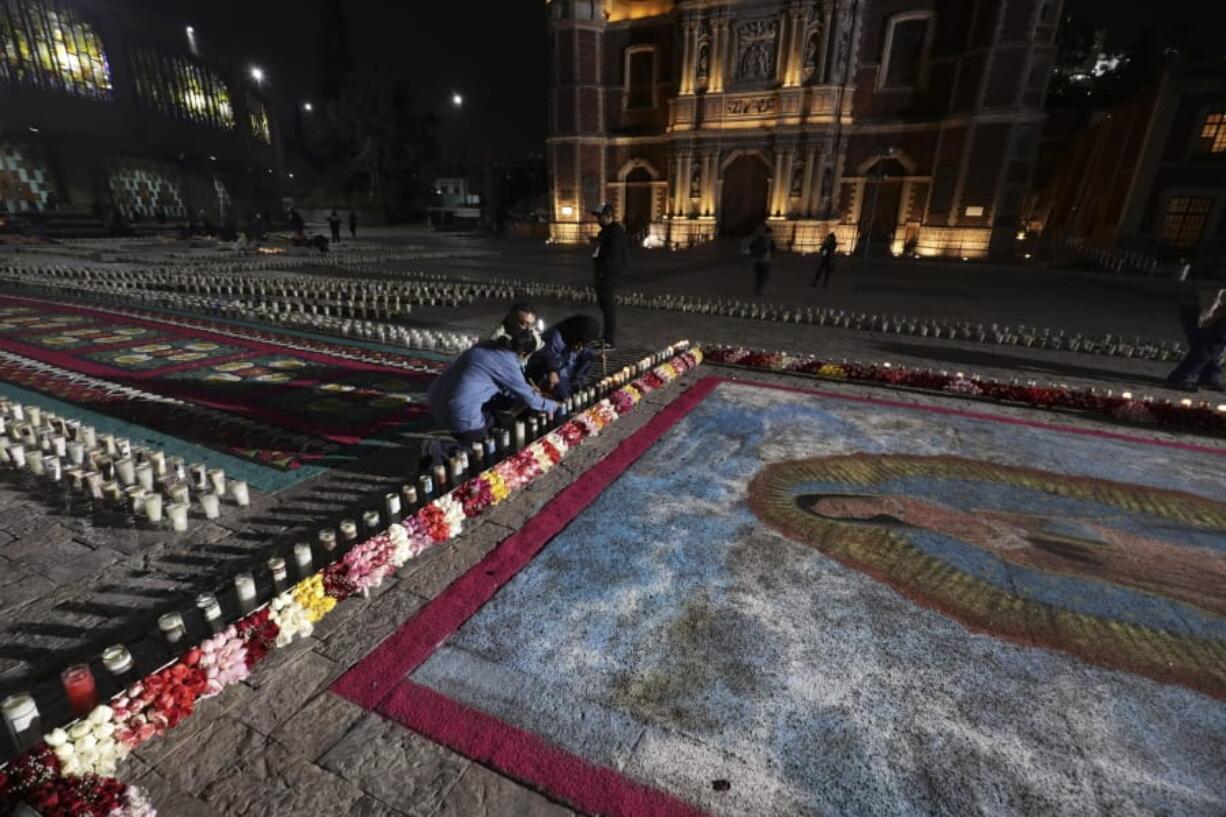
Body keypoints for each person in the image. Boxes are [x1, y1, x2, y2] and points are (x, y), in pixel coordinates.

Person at [427, 328, 560, 454]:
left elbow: (501, 383)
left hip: (436, 398)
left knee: (493, 420)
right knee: (482, 451)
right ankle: (440, 450)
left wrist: (526, 390)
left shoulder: (488, 345)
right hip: (457, 411)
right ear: (524, 353)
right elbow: (532, 401)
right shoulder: (508, 362)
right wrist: (555, 406)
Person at [526, 315, 599, 399]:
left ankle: (576, 382)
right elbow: (551, 362)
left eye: (585, 343)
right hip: (554, 371)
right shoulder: (556, 338)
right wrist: (554, 372)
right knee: (565, 396)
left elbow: (585, 351)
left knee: (590, 357)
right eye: (581, 342)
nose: (582, 346)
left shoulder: (580, 339)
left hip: (569, 368)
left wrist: (593, 355)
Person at [1167, 287, 1225, 392]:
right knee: (1204, 349)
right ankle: (1178, 379)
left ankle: (1208, 378)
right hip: (1197, 307)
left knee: (1215, 347)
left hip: (1210, 308)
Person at [591, 203, 626, 350]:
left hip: (608, 277)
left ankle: (609, 341)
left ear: (608, 216)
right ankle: (605, 337)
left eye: (600, 217)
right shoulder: (605, 231)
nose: (597, 220)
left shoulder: (616, 232)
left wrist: (606, 274)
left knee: (609, 308)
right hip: (601, 276)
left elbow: (615, 257)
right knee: (604, 308)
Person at [747, 223, 776, 297]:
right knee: (764, 276)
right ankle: (759, 290)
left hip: (756, 260)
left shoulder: (758, 238)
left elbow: (751, 247)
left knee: (758, 276)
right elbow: (773, 249)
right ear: (770, 233)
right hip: (765, 261)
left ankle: (757, 289)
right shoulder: (769, 240)